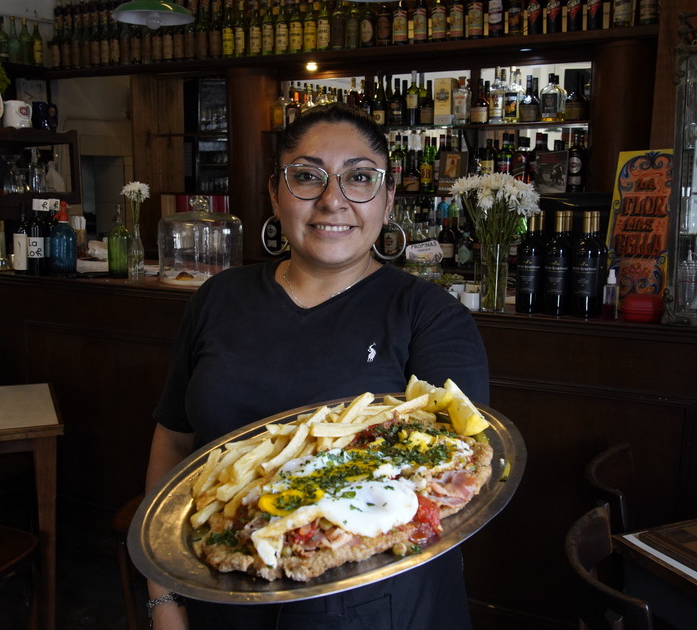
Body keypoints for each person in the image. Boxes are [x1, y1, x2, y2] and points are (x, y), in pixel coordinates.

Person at [145, 102, 489, 630]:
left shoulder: (431, 317)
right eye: (307, 176)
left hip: (377, 609)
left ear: (387, 200)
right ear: (275, 194)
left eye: (360, 178)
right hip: (222, 595)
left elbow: (458, 479)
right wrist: (163, 597)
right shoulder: (219, 297)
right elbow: (172, 443)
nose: (333, 199)